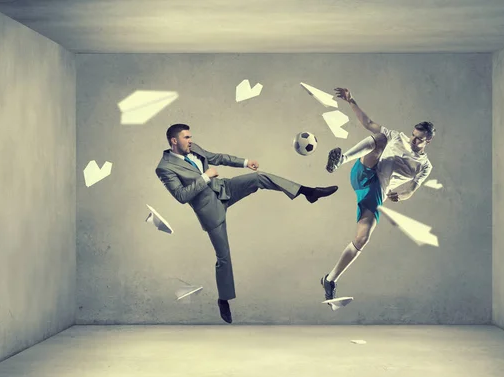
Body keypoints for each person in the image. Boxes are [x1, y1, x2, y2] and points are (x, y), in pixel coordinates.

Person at [156, 123, 338, 323]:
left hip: (224, 188)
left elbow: (217, 157)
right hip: (210, 210)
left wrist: (245, 162)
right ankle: (224, 299)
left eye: (190, 137)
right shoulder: (164, 168)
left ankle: (308, 192)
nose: (190, 140)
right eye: (186, 138)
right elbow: (182, 196)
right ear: (174, 141)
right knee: (223, 256)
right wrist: (205, 177)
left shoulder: (194, 148)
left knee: (259, 178)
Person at [321, 88, 435, 301]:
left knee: (362, 238)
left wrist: (401, 196)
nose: (413, 140)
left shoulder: (425, 166)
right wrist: (351, 100)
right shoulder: (397, 137)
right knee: (380, 138)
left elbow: (411, 190)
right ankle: (340, 160)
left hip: (376, 191)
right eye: (413, 135)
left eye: (419, 139)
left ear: (428, 141)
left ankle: (330, 279)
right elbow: (368, 122)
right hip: (365, 172)